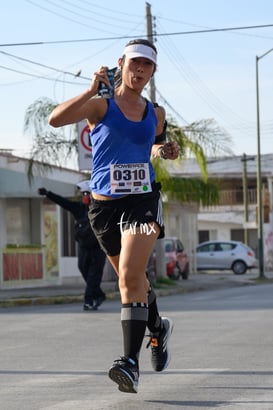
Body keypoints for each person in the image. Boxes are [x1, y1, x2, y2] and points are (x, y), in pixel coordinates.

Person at [48, 38, 180, 394]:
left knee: (127, 277)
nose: (139, 70)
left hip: (142, 201)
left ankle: (129, 363)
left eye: (147, 66)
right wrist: (91, 88)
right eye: (134, 63)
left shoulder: (156, 113)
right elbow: (55, 119)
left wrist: (163, 149)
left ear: (152, 72)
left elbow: (150, 145)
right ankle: (159, 329)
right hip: (104, 207)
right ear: (121, 63)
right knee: (136, 281)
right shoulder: (100, 107)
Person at [38, 181, 106, 311]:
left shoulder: (100, 208)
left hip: (99, 248)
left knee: (93, 275)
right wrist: (47, 194)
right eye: (83, 194)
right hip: (84, 248)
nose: (84, 196)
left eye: (86, 194)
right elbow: (63, 202)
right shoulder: (79, 208)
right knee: (83, 269)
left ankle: (89, 300)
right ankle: (99, 295)